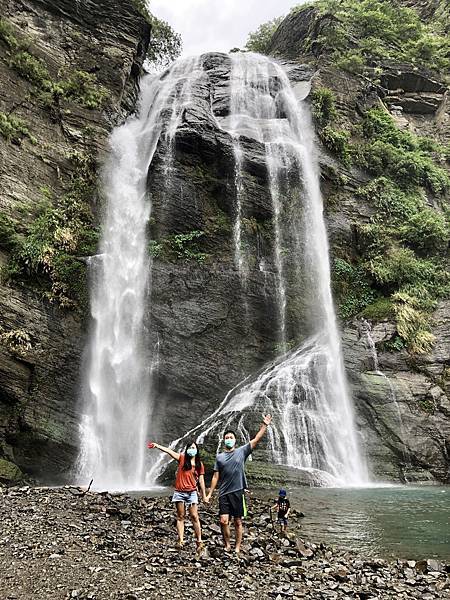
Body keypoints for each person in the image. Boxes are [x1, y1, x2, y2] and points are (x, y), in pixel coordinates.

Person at [205, 414, 272, 554]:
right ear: (224, 441)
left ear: (235, 440)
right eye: (227, 438)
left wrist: (265, 425)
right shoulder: (220, 457)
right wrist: (210, 493)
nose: (229, 439)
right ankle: (227, 544)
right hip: (223, 493)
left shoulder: (242, 451)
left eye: (231, 437)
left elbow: (256, 439)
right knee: (223, 521)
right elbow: (216, 476)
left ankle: (237, 547)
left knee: (238, 522)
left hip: (238, 491)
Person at [148, 440, 206, 554]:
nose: (192, 449)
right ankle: (181, 540)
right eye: (190, 447)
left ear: (197, 450)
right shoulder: (182, 458)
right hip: (179, 492)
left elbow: (202, 480)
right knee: (180, 516)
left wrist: (204, 495)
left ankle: (199, 541)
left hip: (192, 493)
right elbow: (169, 451)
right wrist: (157, 445)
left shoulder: (200, 464)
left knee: (194, 516)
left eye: (194, 448)